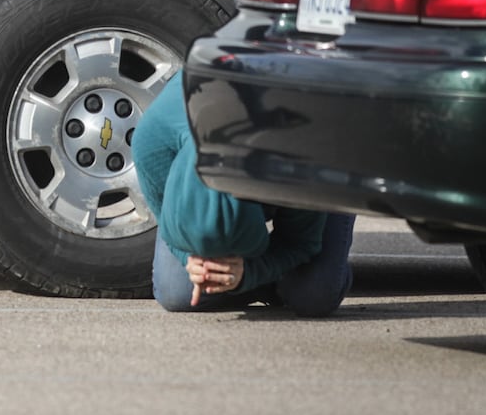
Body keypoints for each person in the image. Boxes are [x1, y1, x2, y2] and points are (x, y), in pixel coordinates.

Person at [133, 72, 354, 316]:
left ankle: (268, 279)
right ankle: (265, 283)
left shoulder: (300, 154)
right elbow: (167, 226)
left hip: (328, 156)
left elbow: (302, 243)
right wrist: (193, 262)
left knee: (314, 295)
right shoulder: (152, 145)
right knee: (178, 295)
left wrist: (246, 274)